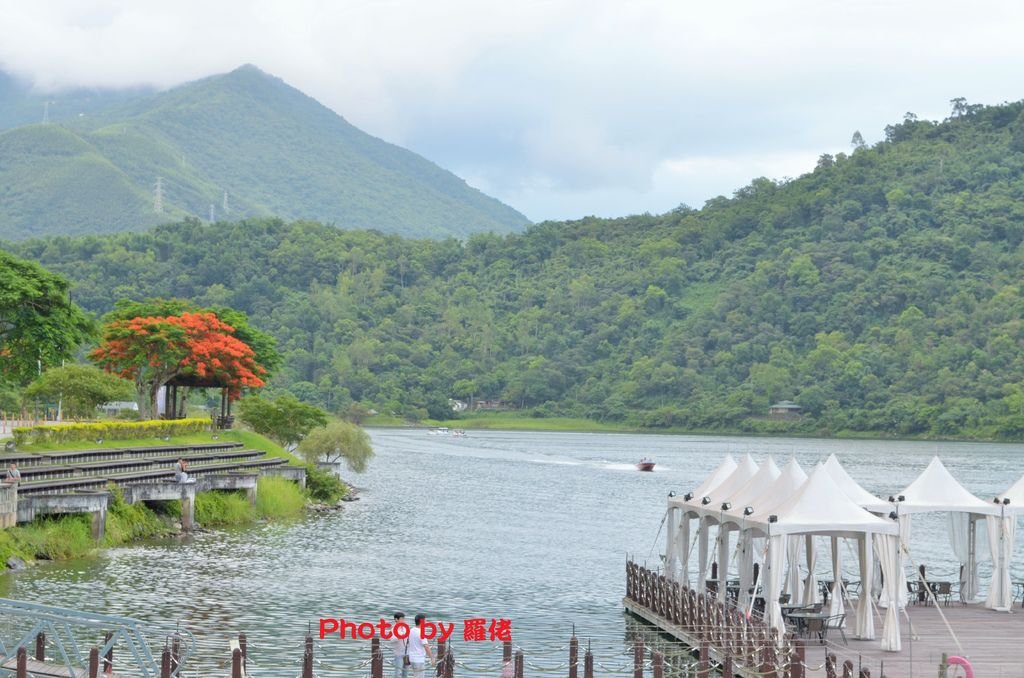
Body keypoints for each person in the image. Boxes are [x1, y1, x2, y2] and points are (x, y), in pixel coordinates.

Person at [407, 613, 434, 678]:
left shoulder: (411, 630)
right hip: (418, 659)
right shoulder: (421, 632)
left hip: (411, 658)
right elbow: (426, 646)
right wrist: (432, 658)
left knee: (416, 675)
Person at [390, 612, 408, 678]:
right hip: (398, 654)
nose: (403, 620)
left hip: (406, 653)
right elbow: (392, 640)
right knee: (398, 673)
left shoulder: (405, 628)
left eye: (404, 619)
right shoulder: (393, 629)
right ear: (396, 619)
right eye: (402, 619)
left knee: (405, 673)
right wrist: (400, 636)